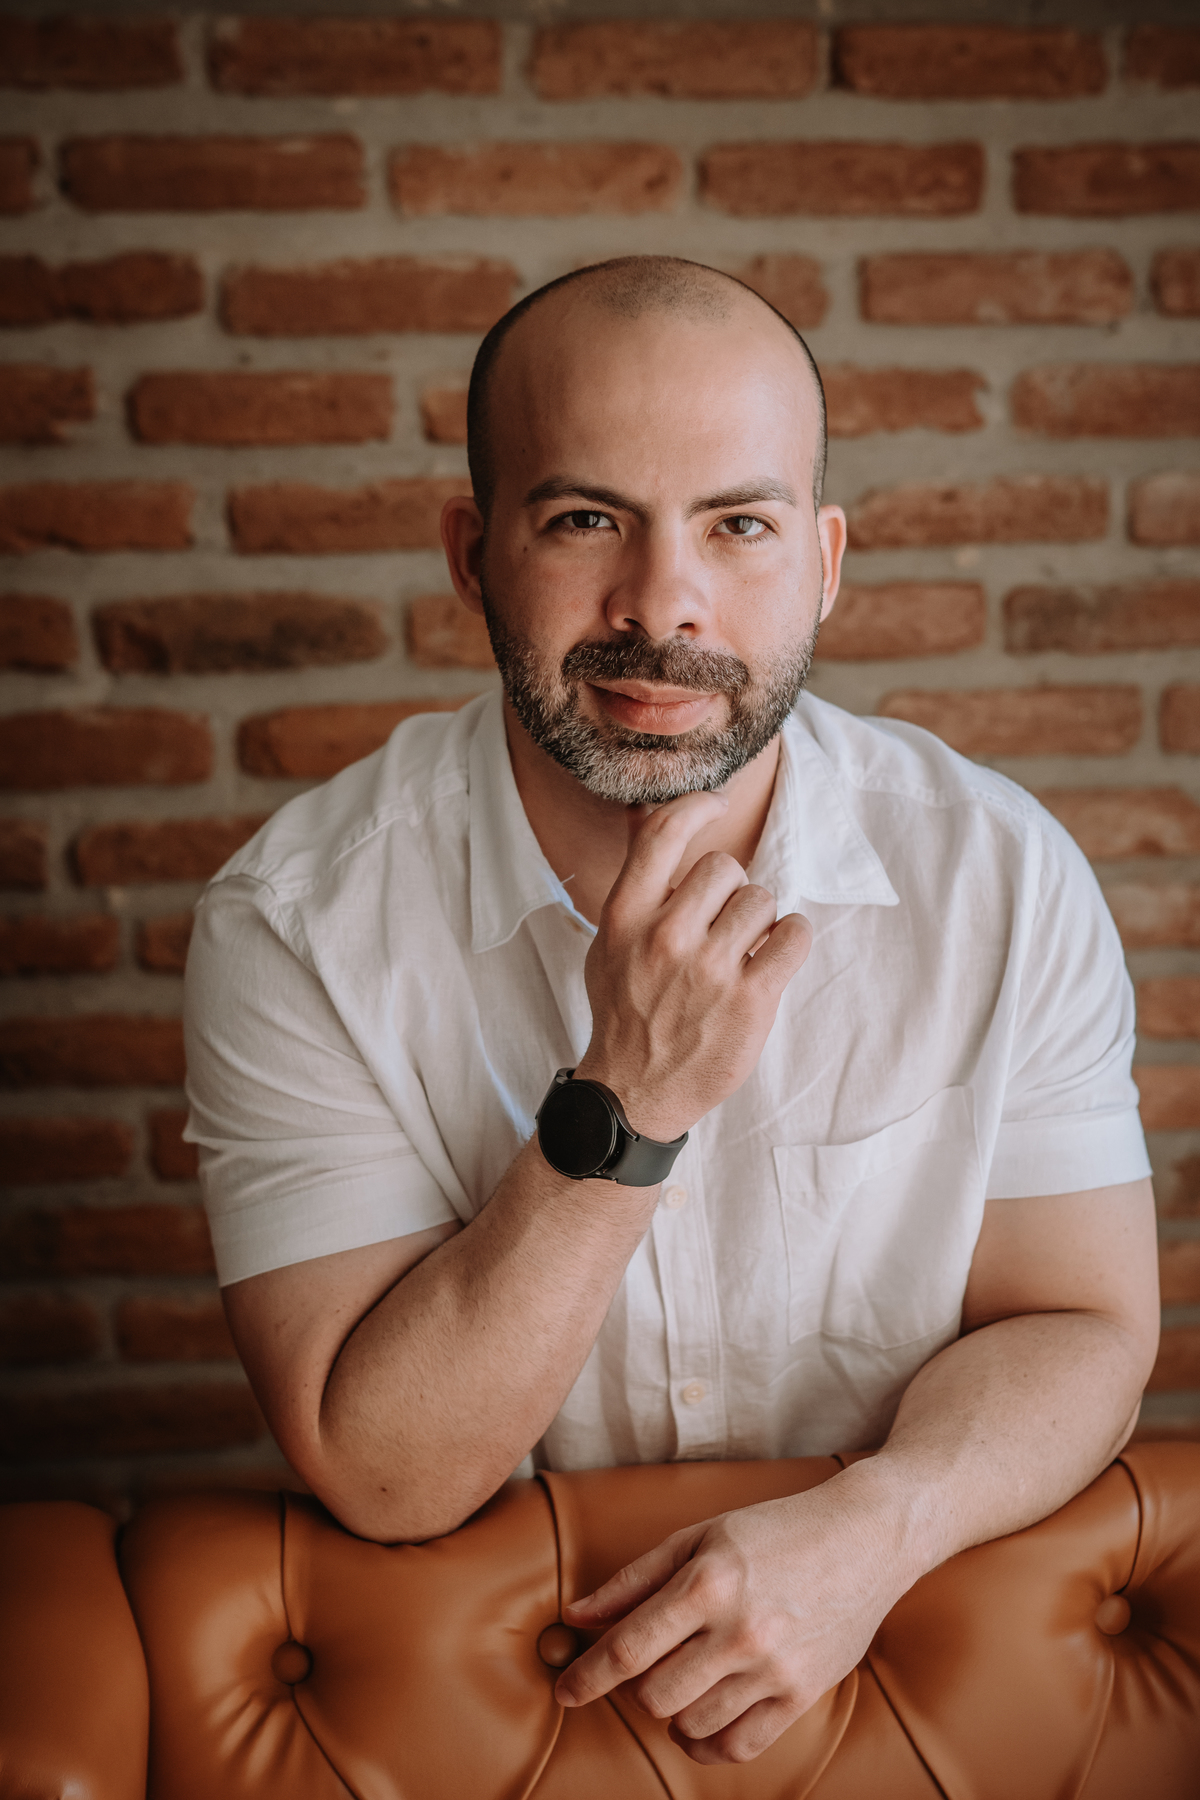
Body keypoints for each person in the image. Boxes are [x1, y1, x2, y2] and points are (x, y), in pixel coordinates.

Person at [184, 256, 1159, 1767]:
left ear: (824, 562)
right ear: (473, 554)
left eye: (738, 525)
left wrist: (876, 1527)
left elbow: (1086, 1324)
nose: (663, 606)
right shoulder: (295, 926)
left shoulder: (1001, 878)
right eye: (586, 519)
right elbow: (385, 1474)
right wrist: (627, 1104)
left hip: (907, 1660)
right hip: (509, 1725)